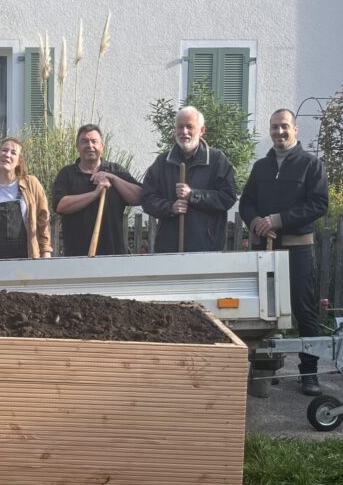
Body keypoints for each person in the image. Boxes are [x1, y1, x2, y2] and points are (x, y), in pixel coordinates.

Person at [239, 108, 329, 395]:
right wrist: (256, 223)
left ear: (295, 129)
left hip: (298, 251)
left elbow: (319, 205)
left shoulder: (310, 165)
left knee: (305, 312)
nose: (279, 132)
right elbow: (246, 204)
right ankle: (267, 370)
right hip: (265, 250)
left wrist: (277, 220)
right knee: (265, 313)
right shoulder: (261, 167)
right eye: (275, 127)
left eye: (284, 126)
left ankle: (309, 374)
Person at [141, 106, 237, 253]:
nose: (184, 132)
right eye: (180, 127)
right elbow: (147, 198)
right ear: (175, 130)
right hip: (168, 249)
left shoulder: (217, 160)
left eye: (189, 127)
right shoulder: (162, 162)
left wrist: (193, 195)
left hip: (205, 249)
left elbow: (227, 197)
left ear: (202, 130)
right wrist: (170, 207)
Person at [52, 124, 141, 256]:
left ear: (102, 146)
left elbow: (139, 196)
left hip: (113, 254)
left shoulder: (116, 171)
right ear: (77, 147)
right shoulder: (67, 174)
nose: (90, 146)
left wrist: (112, 178)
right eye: (84, 141)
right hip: (77, 255)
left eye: (94, 141)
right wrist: (95, 194)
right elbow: (60, 205)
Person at [0, 137, 52, 259]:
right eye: (4, 150)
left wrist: (46, 251)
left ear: (19, 161)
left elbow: (43, 219)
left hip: (27, 257)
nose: (7, 154)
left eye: (13, 152)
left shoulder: (31, 184)